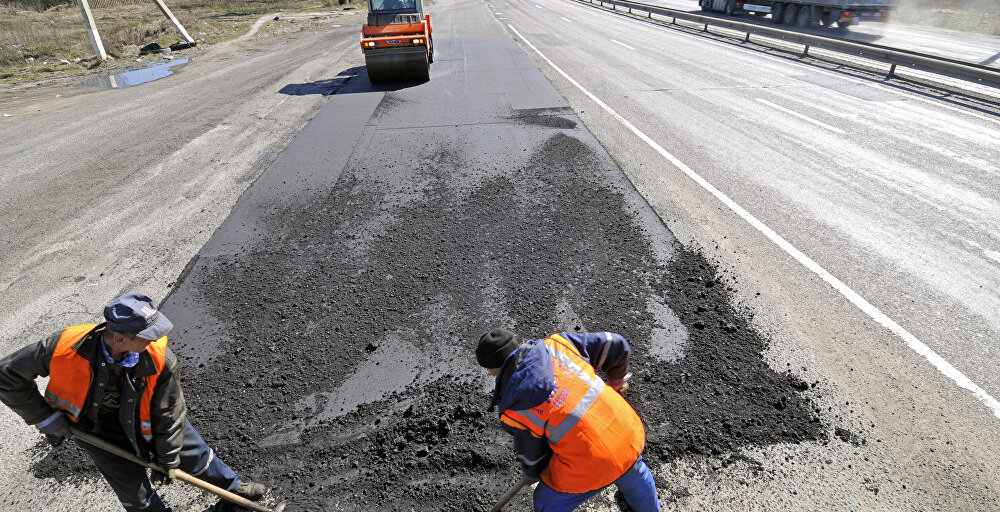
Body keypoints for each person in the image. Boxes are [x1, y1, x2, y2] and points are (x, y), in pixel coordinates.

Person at [0, 292, 267, 512]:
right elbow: (6, 374)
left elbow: (170, 414)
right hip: (98, 433)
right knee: (136, 496)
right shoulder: (64, 347)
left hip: (152, 421)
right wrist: (45, 418)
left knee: (198, 457)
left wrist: (168, 458)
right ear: (119, 338)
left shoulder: (160, 359)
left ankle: (233, 492)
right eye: (147, 336)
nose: (156, 340)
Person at [476, 328, 660, 512]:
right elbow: (615, 343)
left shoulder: (513, 407)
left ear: (492, 369)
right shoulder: (558, 345)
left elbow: (533, 458)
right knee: (632, 468)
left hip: (590, 467)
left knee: (545, 501)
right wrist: (616, 381)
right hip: (627, 432)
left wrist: (533, 472)